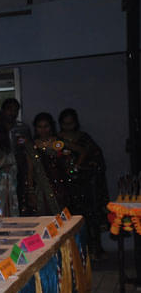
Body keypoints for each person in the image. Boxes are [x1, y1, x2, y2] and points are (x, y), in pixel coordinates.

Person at [58, 108, 108, 257]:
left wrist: (81, 167)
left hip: (84, 186)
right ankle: (72, 255)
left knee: (88, 219)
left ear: (76, 123)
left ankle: (93, 251)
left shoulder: (84, 139)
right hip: (64, 186)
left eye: (71, 123)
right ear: (60, 124)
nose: (68, 126)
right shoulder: (56, 140)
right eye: (65, 124)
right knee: (68, 220)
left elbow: (96, 158)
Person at [28, 111, 70, 215]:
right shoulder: (32, 146)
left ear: (51, 126)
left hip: (60, 186)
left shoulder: (58, 143)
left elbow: (71, 158)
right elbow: (30, 170)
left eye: (46, 126)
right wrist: (31, 191)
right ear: (35, 128)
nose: (43, 130)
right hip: (41, 188)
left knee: (61, 217)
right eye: (40, 127)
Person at [2, 97, 34, 215]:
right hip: (2, 168)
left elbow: (30, 149)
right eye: (9, 109)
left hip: (20, 167)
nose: (12, 113)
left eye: (15, 110)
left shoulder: (23, 128)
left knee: (20, 196)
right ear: (3, 110)